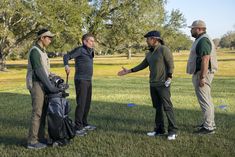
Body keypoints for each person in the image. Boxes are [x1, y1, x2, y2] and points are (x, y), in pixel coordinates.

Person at [118, 31, 178, 140]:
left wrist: (169, 77)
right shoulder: (149, 53)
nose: (146, 41)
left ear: (155, 39)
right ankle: (159, 130)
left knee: (167, 107)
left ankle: (173, 131)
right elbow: (143, 65)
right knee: (157, 107)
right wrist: (129, 71)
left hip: (163, 84)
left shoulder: (164, 49)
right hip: (153, 84)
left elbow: (171, 64)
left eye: (148, 39)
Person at [26, 28, 60, 149]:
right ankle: (32, 142)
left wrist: (54, 76)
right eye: (48, 37)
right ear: (42, 38)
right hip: (36, 84)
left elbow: (45, 71)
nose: (50, 40)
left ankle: (40, 137)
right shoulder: (35, 51)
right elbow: (39, 72)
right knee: (37, 113)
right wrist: (50, 87)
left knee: (44, 112)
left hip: (43, 84)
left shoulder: (43, 51)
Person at [187, 20, 218, 134]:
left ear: (199, 29)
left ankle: (208, 127)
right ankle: (209, 123)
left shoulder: (203, 40)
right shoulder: (202, 39)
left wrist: (202, 77)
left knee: (205, 101)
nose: (191, 30)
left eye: (192, 28)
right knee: (207, 100)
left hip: (203, 73)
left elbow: (205, 59)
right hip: (203, 73)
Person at [63, 33, 96, 136]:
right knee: (81, 103)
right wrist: (66, 65)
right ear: (84, 41)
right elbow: (66, 56)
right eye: (91, 41)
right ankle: (78, 127)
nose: (93, 43)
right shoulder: (80, 50)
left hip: (88, 80)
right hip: (81, 80)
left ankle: (84, 123)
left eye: (93, 41)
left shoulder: (90, 51)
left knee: (87, 103)